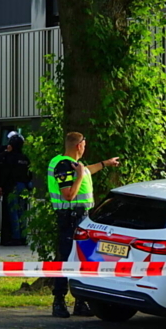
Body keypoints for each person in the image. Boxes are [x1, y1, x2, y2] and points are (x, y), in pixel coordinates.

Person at [48, 131, 121, 318]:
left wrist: (105, 163)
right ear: (79, 145)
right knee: (65, 259)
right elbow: (69, 195)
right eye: (85, 144)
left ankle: (80, 303)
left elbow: (86, 170)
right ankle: (59, 302)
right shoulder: (63, 165)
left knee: (83, 260)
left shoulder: (71, 164)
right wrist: (80, 175)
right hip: (70, 218)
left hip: (82, 218)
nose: (85, 147)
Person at [0, 131, 32, 246]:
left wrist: (1, 185)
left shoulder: (10, 157)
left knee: (13, 211)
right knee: (22, 212)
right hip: (24, 186)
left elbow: (6, 172)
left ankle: (16, 236)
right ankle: (23, 236)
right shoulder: (25, 158)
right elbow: (30, 174)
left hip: (13, 186)